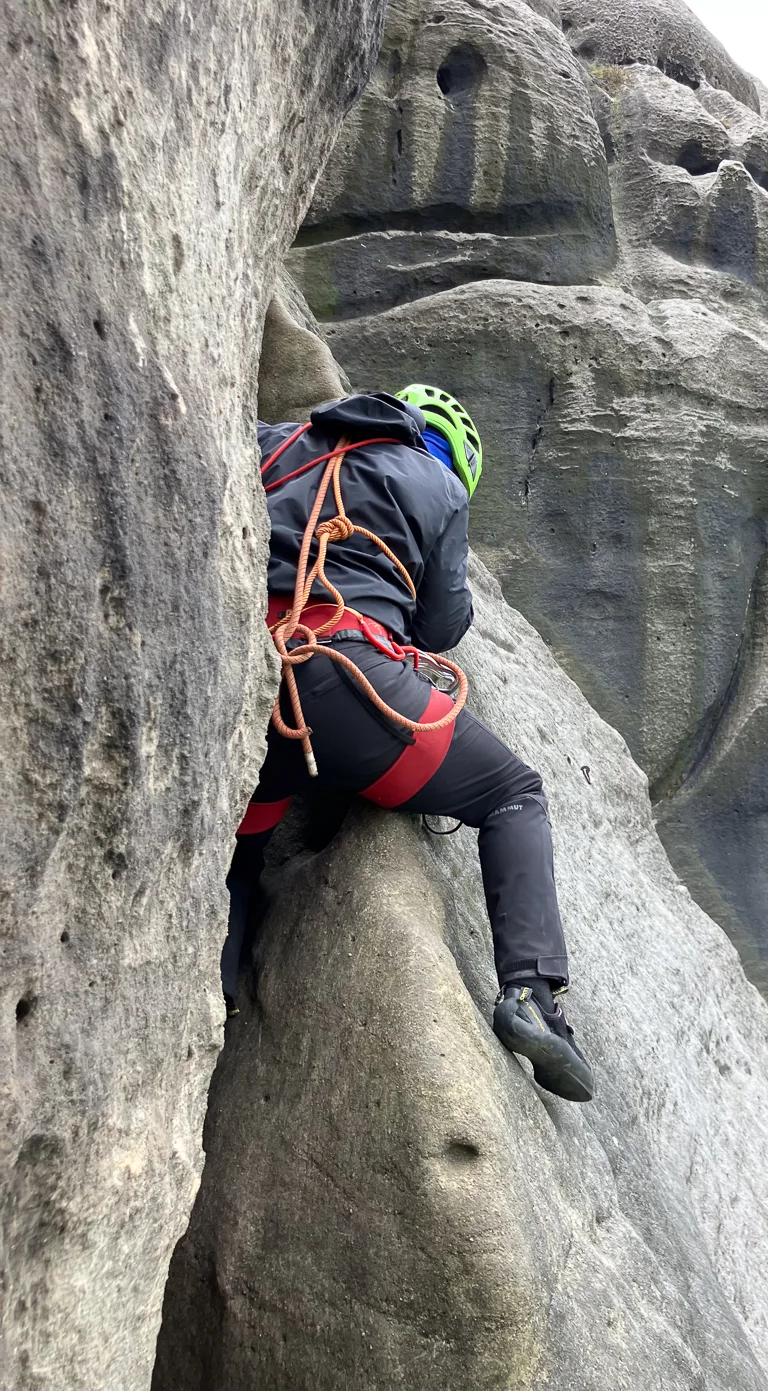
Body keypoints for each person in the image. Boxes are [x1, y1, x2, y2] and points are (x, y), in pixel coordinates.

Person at [221, 385, 593, 1103]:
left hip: (242, 685)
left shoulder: (279, 440)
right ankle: (532, 998)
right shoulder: (438, 484)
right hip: (343, 683)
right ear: (451, 454)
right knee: (512, 793)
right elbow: (442, 625)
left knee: (239, 850)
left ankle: (216, 994)